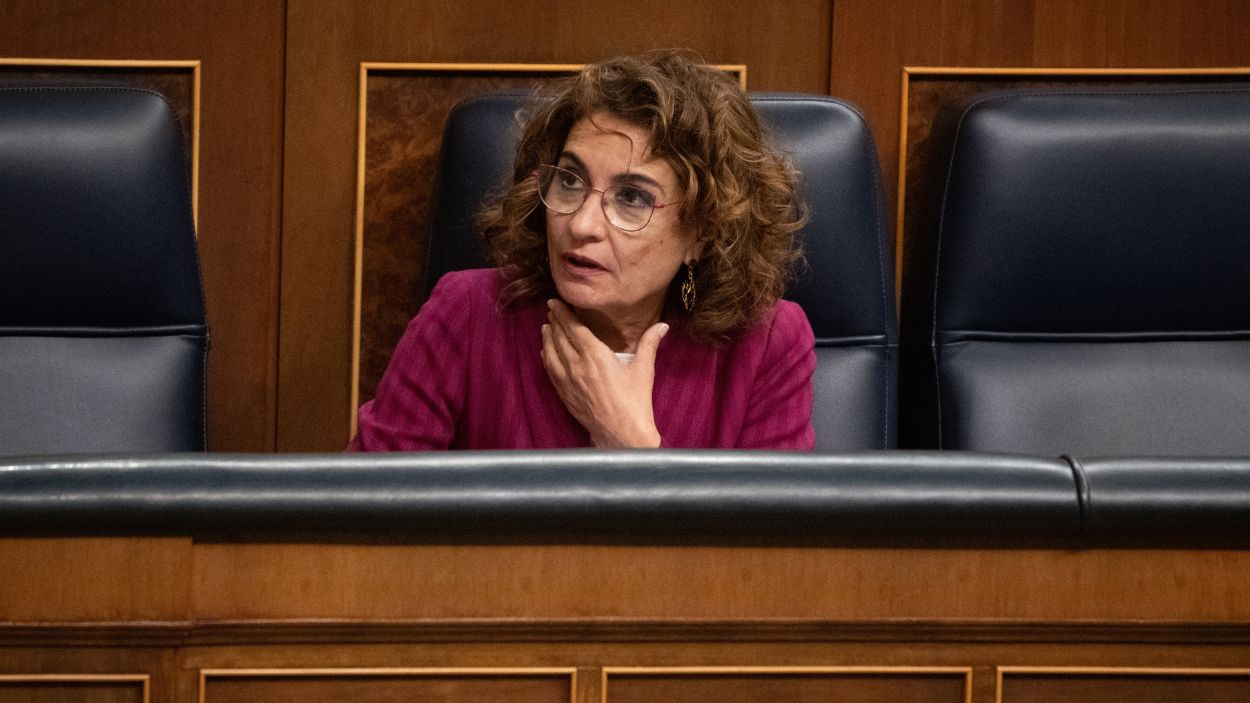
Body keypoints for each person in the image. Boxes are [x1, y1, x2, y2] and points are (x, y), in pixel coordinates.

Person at [350, 50, 814, 451]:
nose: (581, 223)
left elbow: (771, 551)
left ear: (704, 231)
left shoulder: (766, 343)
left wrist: (632, 447)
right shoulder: (468, 314)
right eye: (570, 181)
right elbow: (361, 517)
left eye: (632, 197)